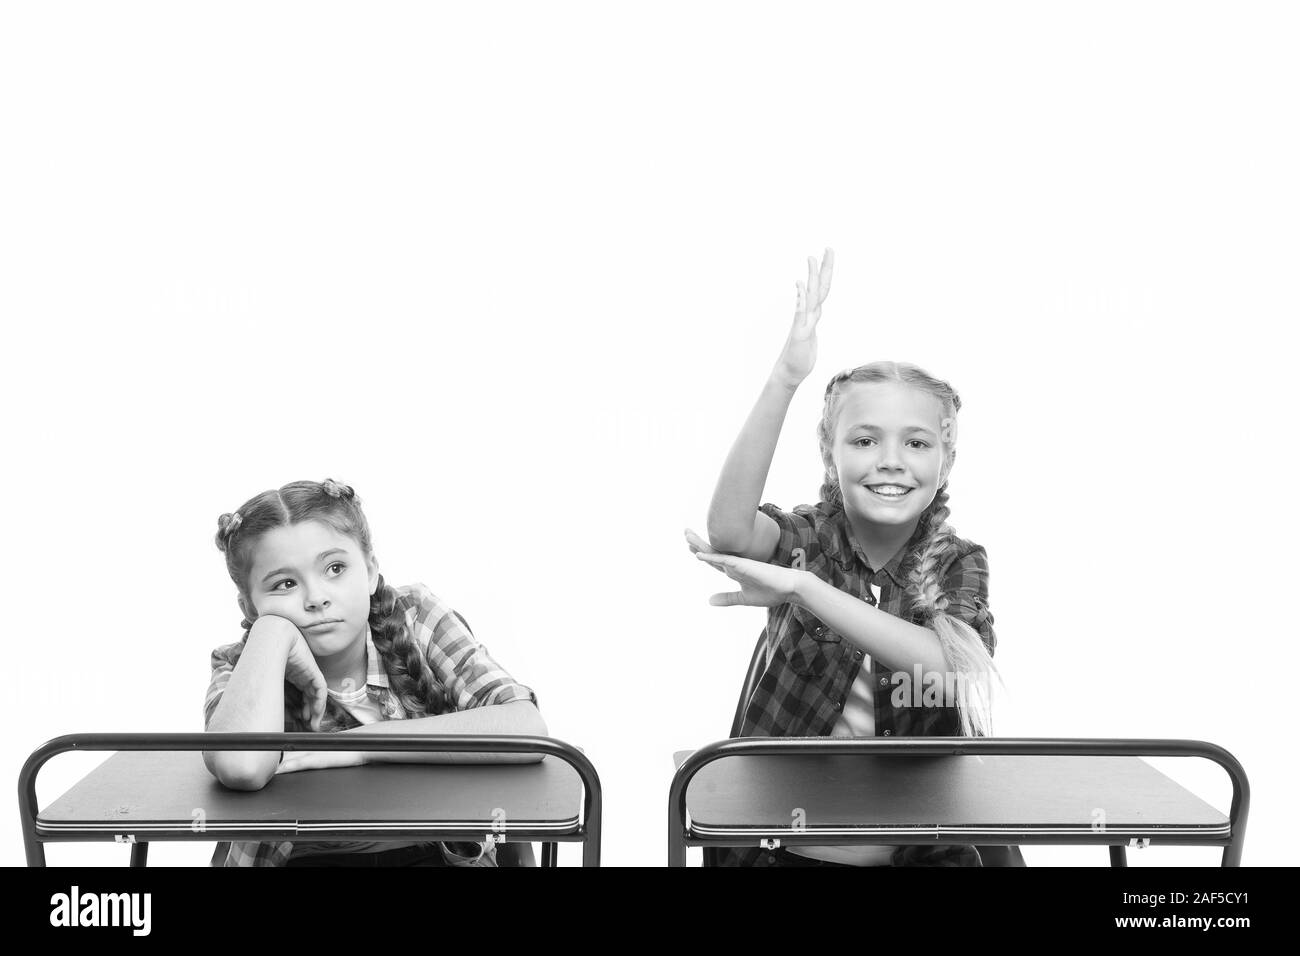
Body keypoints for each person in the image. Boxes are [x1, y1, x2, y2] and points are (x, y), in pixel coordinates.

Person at [686, 249, 1017, 867]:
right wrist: (786, 378)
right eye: (864, 440)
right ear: (830, 452)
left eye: (916, 443)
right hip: (785, 845)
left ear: (944, 458)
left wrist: (804, 591)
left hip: (920, 850)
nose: (890, 460)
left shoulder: (957, 560)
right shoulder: (812, 539)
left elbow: (948, 667)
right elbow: (730, 532)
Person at [202, 478, 546, 867]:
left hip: (434, 853)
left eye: (335, 568)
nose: (316, 598)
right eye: (284, 584)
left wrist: (360, 744)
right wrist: (272, 630)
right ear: (248, 606)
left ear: (369, 572)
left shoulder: (415, 616)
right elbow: (240, 767)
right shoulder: (240, 663)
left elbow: (526, 731)